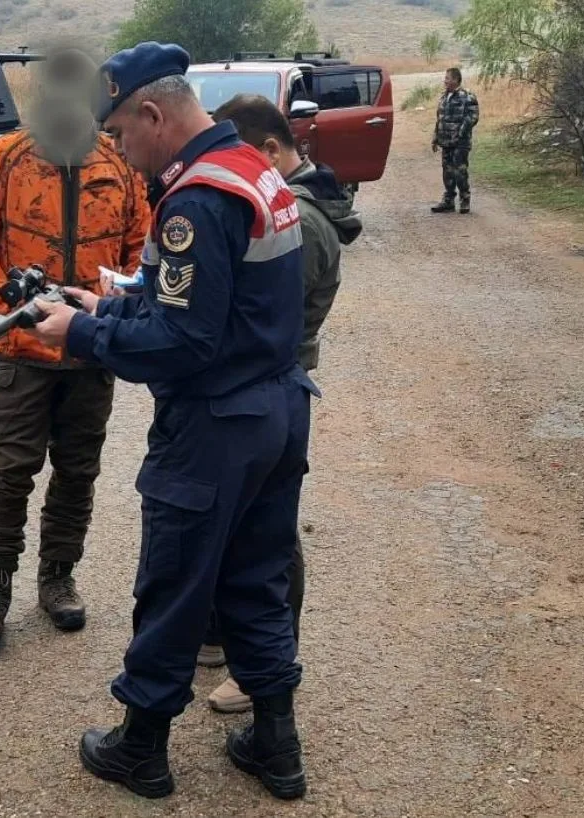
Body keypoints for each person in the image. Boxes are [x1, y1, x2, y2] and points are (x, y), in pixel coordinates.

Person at [28, 41, 317, 801]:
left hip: (215, 424)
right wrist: (114, 305)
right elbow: (215, 309)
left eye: (120, 133)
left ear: (152, 112)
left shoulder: (195, 197)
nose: (119, 151)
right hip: (277, 408)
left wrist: (81, 333)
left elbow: (186, 343)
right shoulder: (254, 166)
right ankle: (276, 744)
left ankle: (142, 747)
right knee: (255, 579)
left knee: (175, 583)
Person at [0, 45, 152, 657]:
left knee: (78, 472)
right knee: (10, 474)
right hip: (20, 352)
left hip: (92, 352)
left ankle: (58, 575)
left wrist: (112, 306)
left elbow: (142, 249)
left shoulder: (118, 164)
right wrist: (9, 301)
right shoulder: (7, 158)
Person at [195, 93, 362, 714]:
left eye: (233, 153)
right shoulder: (279, 200)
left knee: (268, 531)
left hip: (270, 385)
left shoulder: (304, 219)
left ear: (268, 150)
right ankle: (218, 631)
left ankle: (265, 664)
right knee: (228, 515)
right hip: (252, 384)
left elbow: (265, 323)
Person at [431, 66, 480, 214]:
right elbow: (439, 119)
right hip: (445, 141)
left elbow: (473, 117)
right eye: (445, 78)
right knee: (447, 173)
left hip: (460, 142)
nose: (445, 81)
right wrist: (435, 138)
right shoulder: (443, 97)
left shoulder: (467, 96)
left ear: (456, 79)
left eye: (447, 78)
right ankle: (448, 201)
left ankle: (465, 200)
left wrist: (460, 132)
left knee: (460, 172)